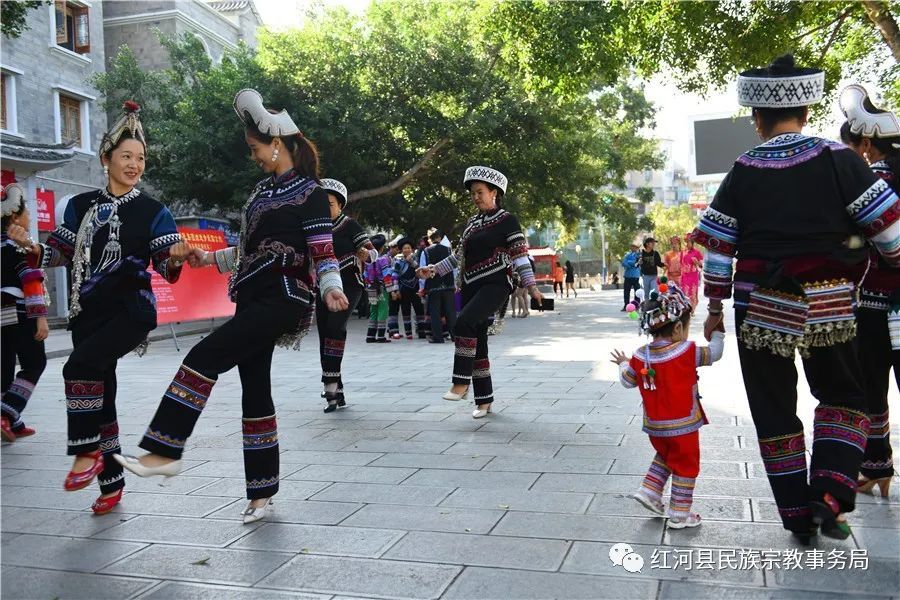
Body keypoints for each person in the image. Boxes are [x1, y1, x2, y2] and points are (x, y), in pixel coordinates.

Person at [115, 89, 348, 524]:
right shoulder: (262, 192)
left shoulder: (311, 193)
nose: (254, 156)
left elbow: (323, 250)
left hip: (283, 296)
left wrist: (331, 286)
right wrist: (210, 258)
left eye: (255, 148)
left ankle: (164, 450)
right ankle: (261, 494)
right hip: (252, 295)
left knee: (203, 355)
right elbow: (250, 249)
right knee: (255, 389)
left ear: (277, 143)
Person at [691, 55, 899, 542]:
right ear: (807, 112)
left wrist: (715, 309)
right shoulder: (840, 159)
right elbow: (890, 233)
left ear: (757, 119)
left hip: (759, 304)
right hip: (829, 300)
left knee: (773, 408)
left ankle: (795, 517)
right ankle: (828, 495)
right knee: (844, 395)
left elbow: (719, 249)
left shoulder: (742, 170)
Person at [7, 101, 192, 515]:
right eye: (126, 156)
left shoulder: (153, 211)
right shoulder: (79, 206)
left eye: (140, 158)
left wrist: (177, 256)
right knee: (101, 396)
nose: (134, 164)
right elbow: (57, 252)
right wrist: (32, 247)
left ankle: (86, 452)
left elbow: (165, 264)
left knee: (76, 368)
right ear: (106, 158)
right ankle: (111, 483)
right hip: (87, 313)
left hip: (132, 311)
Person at [418, 166, 542, 418]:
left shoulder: (508, 220)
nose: (475, 197)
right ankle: (484, 400)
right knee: (479, 343)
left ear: (494, 192)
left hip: (496, 284)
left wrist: (532, 286)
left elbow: (519, 257)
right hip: (471, 286)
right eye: (473, 193)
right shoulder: (472, 223)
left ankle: (461, 383)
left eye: (480, 192)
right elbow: (458, 257)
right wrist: (432, 270)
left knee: (463, 322)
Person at [611, 283, 724, 529]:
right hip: (684, 426)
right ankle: (680, 515)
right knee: (686, 465)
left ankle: (649, 490)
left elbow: (627, 381)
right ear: (679, 327)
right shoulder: (686, 351)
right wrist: (718, 332)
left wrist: (622, 364)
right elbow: (715, 353)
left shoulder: (640, 355)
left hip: (655, 427)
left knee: (666, 455)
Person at [839, 84, 900, 497]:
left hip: (876, 301)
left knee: (870, 385)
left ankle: (877, 467)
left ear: (867, 143)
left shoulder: (872, 181)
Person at [316, 178, 376, 412]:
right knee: (324, 336)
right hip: (323, 288)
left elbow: (373, 253)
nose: (325, 208)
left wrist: (365, 253)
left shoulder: (350, 225)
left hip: (349, 285)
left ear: (340, 204)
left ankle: (330, 383)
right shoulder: (315, 229)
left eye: (329, 203)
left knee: (335, 327)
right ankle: (336, 391)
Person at [1, 183, 48, 442]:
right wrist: (40, 318)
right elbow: (30, 282)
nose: (30, 216)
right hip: (20, 312)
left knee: (3, 368)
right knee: (34, 363)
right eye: (27, 212)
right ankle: (6, 414)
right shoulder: (19, 246)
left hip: (1, 314)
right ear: (15, 217)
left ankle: (12, 423)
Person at [420, 229, 456, 343]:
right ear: (440, 238)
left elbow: (422, 271)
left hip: (433, 286)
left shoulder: (425, 251)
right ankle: (455, 336)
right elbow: (454, 268)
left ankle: (438, 337)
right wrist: (454, 284)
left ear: (430, 239)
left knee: (435, 312)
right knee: (450, 311)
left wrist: (422, 287)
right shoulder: (449, 250)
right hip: (448, 285)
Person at [364, 234, 398, 343]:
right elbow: (387, 276)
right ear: (382, 248)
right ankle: (381, 336)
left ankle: (370, 336)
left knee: (373, 311)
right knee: (382, 311)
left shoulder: (367, 260)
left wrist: (368, 286)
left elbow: (365, 276)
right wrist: (391, 291)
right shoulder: (383, 260)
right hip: (382, 288)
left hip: (371, 289)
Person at [394, 238, 428, 339]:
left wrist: (411, 261)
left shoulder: (416, 258)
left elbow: (420, 270)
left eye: (408, 248)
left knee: (419, 309)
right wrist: (396, 290)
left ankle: (422, 332)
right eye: (404, 248)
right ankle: (408, 333)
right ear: (401, 250)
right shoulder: (398, 261)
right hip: (404, 288)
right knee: (405, 310)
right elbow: (395, 275)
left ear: (412, 249)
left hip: (416, 287)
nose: (407, 250)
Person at [679, 235, 703, 308]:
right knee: (684, 292)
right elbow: (681, 264)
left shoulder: (697, 252)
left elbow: (701, 265)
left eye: (688, 242)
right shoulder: (683, 252)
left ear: (692, 243)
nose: (687, 244)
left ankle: (692, 309)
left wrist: (697, 263)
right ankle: (686, 309)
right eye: (686, 242)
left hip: (693, 276)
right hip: (684, 276)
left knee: (693, 293)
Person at [621, 243, 641, 311]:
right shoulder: (627, 254)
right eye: (632, 246)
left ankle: (637, 305)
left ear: (637, 248)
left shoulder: (639, 255)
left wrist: (629, 262)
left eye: (635, 247)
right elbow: (623, 263)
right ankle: (626, 305)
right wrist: (632, 264)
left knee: (637, 292)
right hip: (628, 275)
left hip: (635, 276)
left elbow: (638, 263)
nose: (633, 248)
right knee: (626, 292)